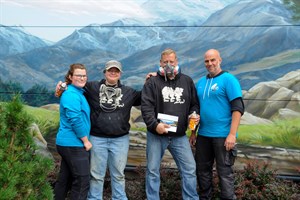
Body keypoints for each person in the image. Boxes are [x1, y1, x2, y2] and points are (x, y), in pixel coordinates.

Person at [141, 48, 200, 200]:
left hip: (179, 136)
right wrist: (155, 125)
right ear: (160, 63)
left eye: (171, 62)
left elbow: (194, 104)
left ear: (177, 62)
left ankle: (191, 198)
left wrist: (194, 115)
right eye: (165, 62)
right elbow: (146, 108)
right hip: (157, 135)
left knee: (189, 169)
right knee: (153, 171)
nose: (168, 65)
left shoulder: (187, 81)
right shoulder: (152, 82)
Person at [190, 49, 244, 200]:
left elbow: (238, 109)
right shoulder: (201, 83)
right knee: (202, 172)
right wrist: (193, 133)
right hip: (203, 136)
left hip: (223, 137)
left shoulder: (229, 80)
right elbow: (196, 111)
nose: (210, 63)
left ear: (220, 60)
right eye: (207, 61)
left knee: (225, 174)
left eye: (213, 60)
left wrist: (232, 134)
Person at [54, 63, 92, 200]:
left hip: (69, 143)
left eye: (84, 76)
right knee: (82, 182)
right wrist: (85, 141)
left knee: (64, 180)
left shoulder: (76, 92)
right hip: (74, 144)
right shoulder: (71, 94)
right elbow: (75, 119)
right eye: (78, 75)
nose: (82, 78)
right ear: (70, 77)